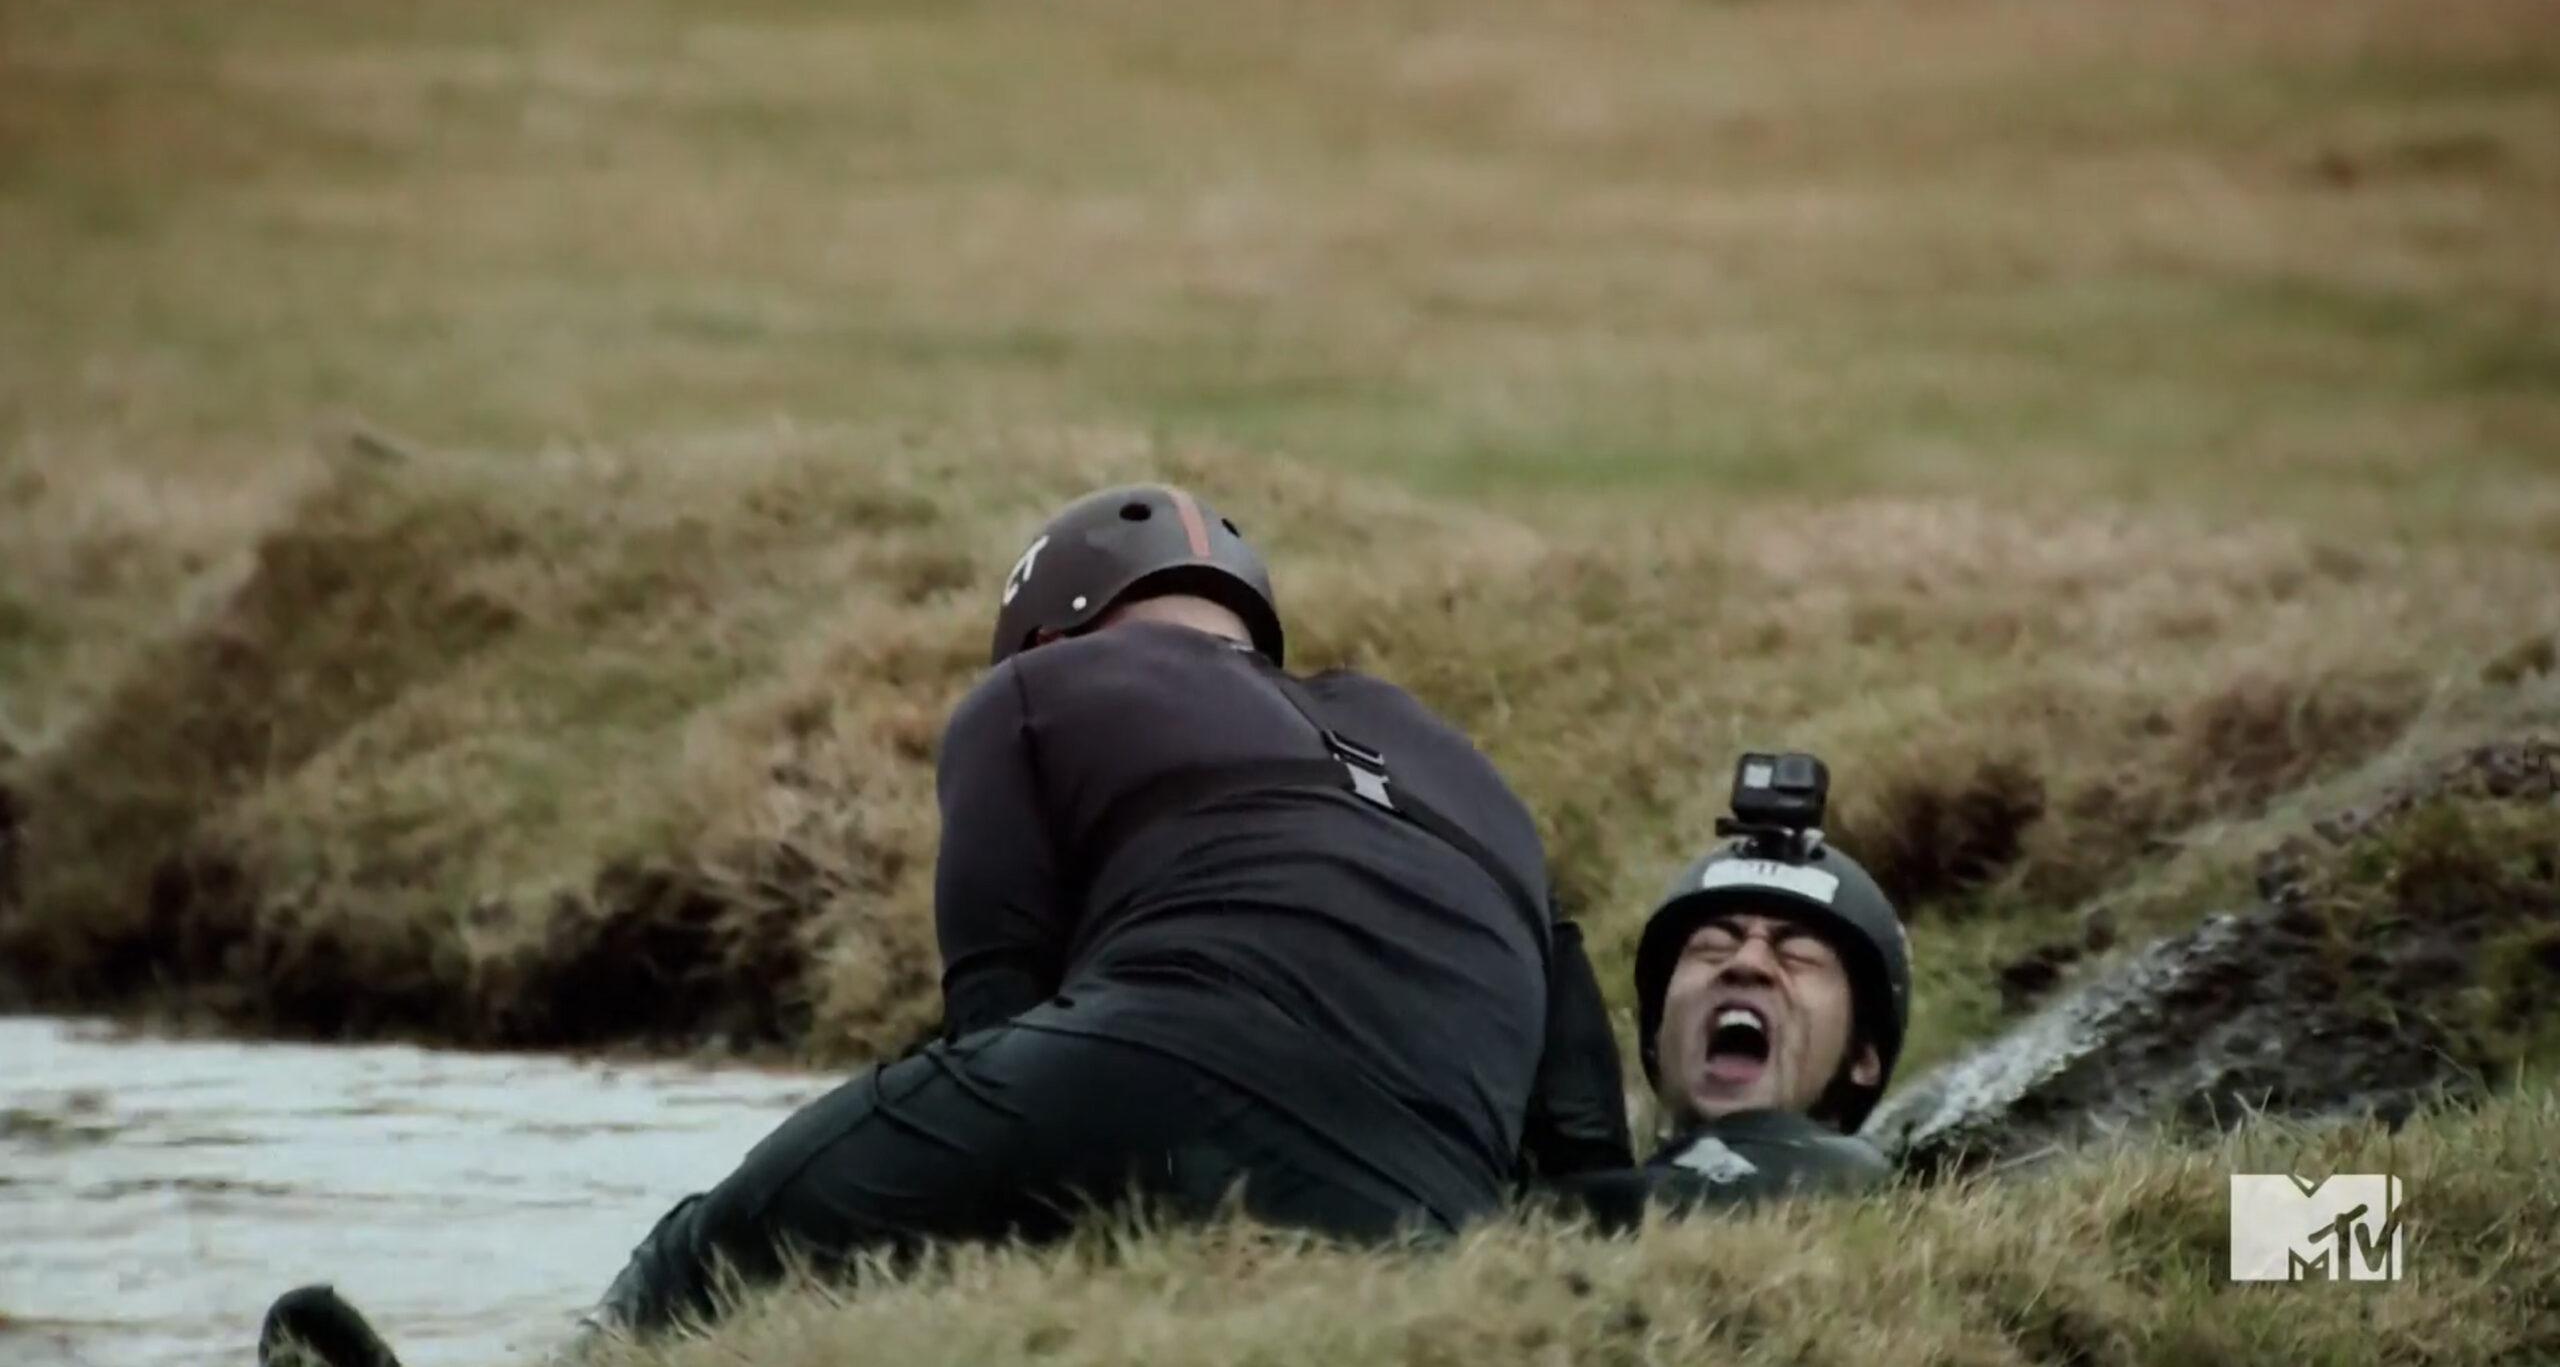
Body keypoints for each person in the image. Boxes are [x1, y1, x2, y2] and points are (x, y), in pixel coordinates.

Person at [259, 483, 1630, 1367]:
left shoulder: (1036, 695)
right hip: (1425, 1194)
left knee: (714, 1248)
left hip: (1161, 1059)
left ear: (1048, 630)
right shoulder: (1464, 765)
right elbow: (1579, 1144)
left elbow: (998, 1017)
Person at [1539, 753, 1911, 1231]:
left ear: (1862, 1055)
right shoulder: (1617, 1194)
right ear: (1656, 1035)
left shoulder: (1851, 1181)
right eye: (1712, 946)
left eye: (1797, 954)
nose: (1746, 963)